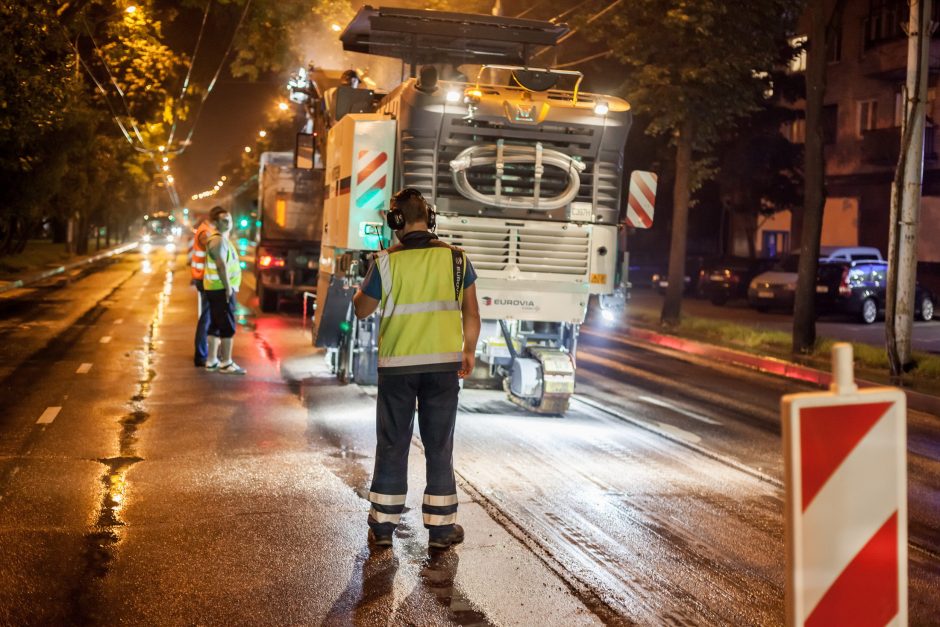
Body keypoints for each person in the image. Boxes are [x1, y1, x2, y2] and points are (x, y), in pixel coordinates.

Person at [352, 188, 481, 550]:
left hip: (397, 368)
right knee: (439, 444)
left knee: (392, 442)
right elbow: (472, 312)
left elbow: (362, 309)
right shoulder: (457, 260)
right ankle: (441, 530)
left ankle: (383, 527)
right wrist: (468, 350)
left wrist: (365, 279)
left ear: (396, 221)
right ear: (431, 217)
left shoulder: (386, 262)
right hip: (443, 367)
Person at [203, 207, 247, 375]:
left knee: (215, 324)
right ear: (216, 223)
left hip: (216, 289)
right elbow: (221, 265)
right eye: (224, 220)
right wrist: (228, 288)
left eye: (230, 219)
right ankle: (226, 363)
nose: (229, 223)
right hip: (221, 289)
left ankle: (212, 360)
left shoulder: (221, 239)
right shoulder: (218, 240)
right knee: (227, 326)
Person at [190, 216, 214, 366]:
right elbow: (214, 250)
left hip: (204, 278)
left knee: (208, 317)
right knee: (206, 317)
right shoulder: (205, 232)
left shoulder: (207, 230)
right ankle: (201, 354)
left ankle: (206, 352)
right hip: (204, 279)